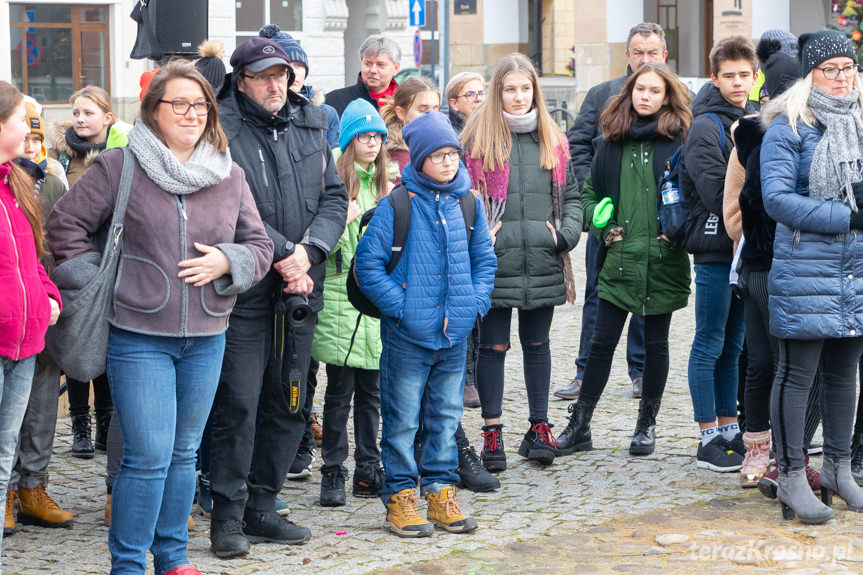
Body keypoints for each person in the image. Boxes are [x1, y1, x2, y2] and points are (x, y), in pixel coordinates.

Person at [47, 61, 273, 575]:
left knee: (183, 453)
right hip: (138, 336)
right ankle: (127, 565)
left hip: (209, 334)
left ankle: (172, 558)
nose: (192, 114)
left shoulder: (229, 174)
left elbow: (258, 245)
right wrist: (102, 282)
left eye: (200, 105)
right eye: (180, 104)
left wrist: (227, 261)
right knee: (147, 455)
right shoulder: (119, 166)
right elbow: (65, 228)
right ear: (154, 111)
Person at [208, 37, 347, 558]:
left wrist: (310, 251)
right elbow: (224, 205)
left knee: (290, 399)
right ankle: (226, 513)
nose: (275, 84)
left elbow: (334, 195)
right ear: (240, 78)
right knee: (239, 402)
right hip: (246, 288)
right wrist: (286, 251)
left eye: (282, 74)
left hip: (300, 286)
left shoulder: (311, 120)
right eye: (264, 75)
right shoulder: (221, 126)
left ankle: (263, 505)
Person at [354, 109, 497, 537]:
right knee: (401, 420)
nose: (449, 163)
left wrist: (475, 303)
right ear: (419, 161)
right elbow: (369, 266)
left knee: (447, 417)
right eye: (438, 156)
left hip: (454, 336)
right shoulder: (396, 205)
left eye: (453, 154)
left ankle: (439, 491)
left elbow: (484, 261)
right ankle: (400, 497)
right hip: (407, 338)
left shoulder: (467, 203)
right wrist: (401, 308)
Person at [555, 62, 692, 457]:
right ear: (630, 92)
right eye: (640, 89)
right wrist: (603, 228)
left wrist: (677, 232)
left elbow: (698, 192)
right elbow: (589, 193)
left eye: (654, 90)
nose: (645, 96)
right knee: (601, 344)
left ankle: (646, 427)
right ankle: (580, 425)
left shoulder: (680, 139)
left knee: (656, 345)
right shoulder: (611, 140)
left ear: (667, 97)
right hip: (617, 260)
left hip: (663, 259)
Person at [760, 30, 863, 525]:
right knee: (797, 374)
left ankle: (839, 470)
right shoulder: (790, 126)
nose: (842, 78)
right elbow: (776, 200)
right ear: (811, 74)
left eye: (849, 68)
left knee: (845, 373)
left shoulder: (861, 122)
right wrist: (847, 215)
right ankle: (793, 476)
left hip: (855, 270)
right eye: (831, 70)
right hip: (806, 268)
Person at [462, 53, 582, 470]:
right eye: (510, 89)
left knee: (538, 345)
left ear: (536, 91)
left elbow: (573, 199)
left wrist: (564, 235)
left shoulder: (554, 139)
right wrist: (480, 235)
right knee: (493, 347)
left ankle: (539, 427)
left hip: (542, 257)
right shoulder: (479, 140)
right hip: (495, 260)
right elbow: (464, 198)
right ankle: (492, 431)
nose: (518, 96)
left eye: (525, 88)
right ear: (498, 92)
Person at [720, 31, 823, 493]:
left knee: (801, 366)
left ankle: (792, 454)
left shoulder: (819, 133)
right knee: (763, 362)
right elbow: (735, 209)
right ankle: (760, 447)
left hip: (804, 266)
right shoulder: (752, 136)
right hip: (761, 266)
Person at [558, 22, 668, 402]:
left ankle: (640, 373)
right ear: (627, 55)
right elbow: (578, 146)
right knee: (598, 293)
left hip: (652, 220)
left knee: (647, 295)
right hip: (608, 216)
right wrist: (598, 190)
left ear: (664, 56)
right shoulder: (603, 94)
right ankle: (584, 370)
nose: (645, 59)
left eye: (652, 52)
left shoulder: (671, 97)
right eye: (638, 52)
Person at [680, 36, 757, 473]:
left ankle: (730, 428)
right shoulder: (704, 125)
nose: (737, 82)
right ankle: (706, 433)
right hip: (713, 248)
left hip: (744, 251)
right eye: (728, 75)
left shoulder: (754, 117)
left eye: (744, 74)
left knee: (733, 345)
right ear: (714, 77)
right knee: (709, 340)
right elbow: (713, 192)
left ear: (754, 74)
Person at [313, 98, 389, 507]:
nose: (372, 143)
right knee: (339, 395)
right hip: (341, 305)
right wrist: (343, 221)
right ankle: (332, 470)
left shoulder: (387, 185)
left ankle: (368, 467)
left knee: (372, 396)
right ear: (348, 141)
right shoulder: (336, 187)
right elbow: (327, 249)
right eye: (364, 135)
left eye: (377, 136)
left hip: (376, 305)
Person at [0, 81, 62, 568]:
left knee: (3, 460)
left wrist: (48, 296)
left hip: (24, 342)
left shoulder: (16, 182)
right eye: (22, 117)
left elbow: (32, 258)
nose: (29, 128)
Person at [47, 84, 116, 459]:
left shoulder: (119, 152)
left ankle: (106, 423)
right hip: (72, 263)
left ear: (107, 117)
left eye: (88, 113)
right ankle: (80, 426)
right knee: (75, 343)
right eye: (76, 113)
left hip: (107, 260)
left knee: (104, 345)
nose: (80, 119)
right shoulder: (60, 154)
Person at [445, 71, 487, 410]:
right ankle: (466, 376)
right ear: (454, 103)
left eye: (482, 92)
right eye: (470, 94)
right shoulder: (450, 135)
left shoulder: (489, 132)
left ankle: (477, 372)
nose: (479, 99)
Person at [259, 24, 340, 148]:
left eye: (299, 65)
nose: (294, 72)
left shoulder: (326, 113)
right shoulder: (261, 113)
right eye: (287, 66)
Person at [326, 35, 401, 117]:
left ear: (396, 68)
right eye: (367, 64)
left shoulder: (408, 102)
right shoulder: (333, 101)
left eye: (380, 65)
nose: (373, 70)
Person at [380, 77, 441, 177]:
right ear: (401, 113)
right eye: (423, 110)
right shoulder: (398, 157)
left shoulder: (444, 144)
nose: (431, 115)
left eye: (435, 108)